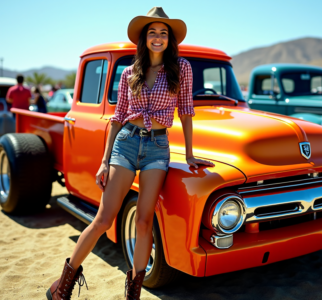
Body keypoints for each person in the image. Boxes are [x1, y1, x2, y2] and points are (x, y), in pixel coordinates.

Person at [46, 7, 215, 300]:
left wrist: (188, 155)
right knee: (104, 218)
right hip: (126, 143)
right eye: (153, 32)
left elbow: (187, 112)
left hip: (158, 148)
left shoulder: (182, 68)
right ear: (144, 38)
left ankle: (133, 294)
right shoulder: (129, 72)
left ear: (170, 39)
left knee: (144, 220)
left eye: (164, 33)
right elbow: (117, 117)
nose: (158, 37)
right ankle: (63, 286)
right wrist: (103, 160)